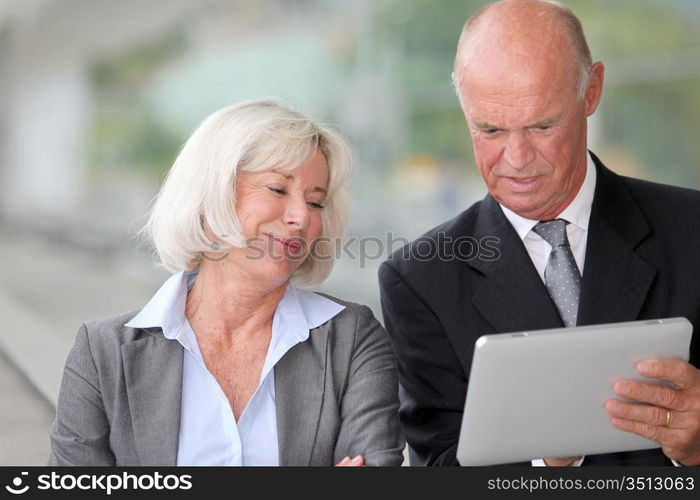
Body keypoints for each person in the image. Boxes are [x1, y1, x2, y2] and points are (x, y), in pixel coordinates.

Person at [379, 0, 700, 467]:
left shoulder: (691, 230)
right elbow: (440, 465)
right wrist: (544, 462)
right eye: (489, 129)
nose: (517, 158)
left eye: (542, 125)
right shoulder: (421, 278)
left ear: (591, 92)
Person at [49, 100, 404, 466]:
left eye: (315, 202)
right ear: (211, 192)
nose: (301, 217)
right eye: (277, 190)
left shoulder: (352, 341)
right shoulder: (102, 352)